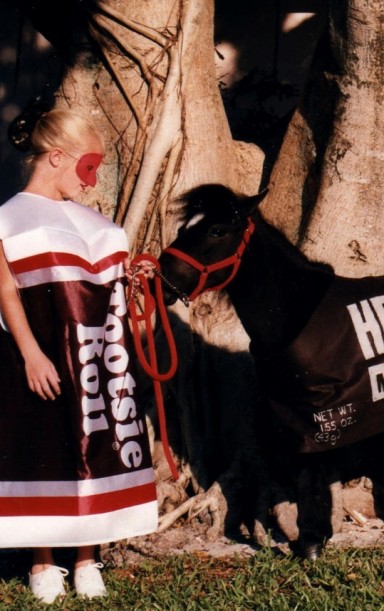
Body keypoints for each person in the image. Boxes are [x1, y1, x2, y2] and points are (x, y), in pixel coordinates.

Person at [0, 106, 158, 603]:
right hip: (39, 358)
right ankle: (42, 560)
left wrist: (133, 281)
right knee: (42, 446)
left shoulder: (97, 223)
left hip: (98, 358)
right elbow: (5, 291)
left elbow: (108, 292)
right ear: (55, 157)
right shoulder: (7, 218)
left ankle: (88, 557)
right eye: (87, 167)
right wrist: (31, 353)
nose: (92, 181)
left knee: (98, 444)